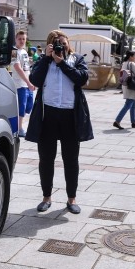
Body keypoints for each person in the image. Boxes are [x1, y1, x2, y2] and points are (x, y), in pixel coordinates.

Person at [26, 29, 93, 215]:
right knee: (46, 159)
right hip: (48, 115)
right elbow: (34, 80)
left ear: (68, 44)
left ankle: (72, 198)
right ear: (49, 45)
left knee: (71, 160)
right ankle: (46, 197)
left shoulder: (76, 59)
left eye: (63, 43)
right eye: (56, 44)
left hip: (70, 116)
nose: (60, 47)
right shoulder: (43, 61)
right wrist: (47, 59)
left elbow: (82, 78)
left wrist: (62, 63)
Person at [10, 30, 36, 137]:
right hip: (20, 85)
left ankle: (19, 125)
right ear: (16, 39)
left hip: (27, 84)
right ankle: (19, 128)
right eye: (19, 39)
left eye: (23, 39)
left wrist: (31, 82)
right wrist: (28, 82)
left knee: (28, 107)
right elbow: (18, 68)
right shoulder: (14, 51)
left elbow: (27, 69)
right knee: (21, 107)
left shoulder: (24, 52)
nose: (21, 41)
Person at [113, 50, 135, 129]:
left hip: (126, 85)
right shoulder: (132, 63)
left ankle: (134, 122)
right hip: (131, 86)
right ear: (131, 57)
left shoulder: (124, 63)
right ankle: (117, 121)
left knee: (133, 104)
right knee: (128, 104)